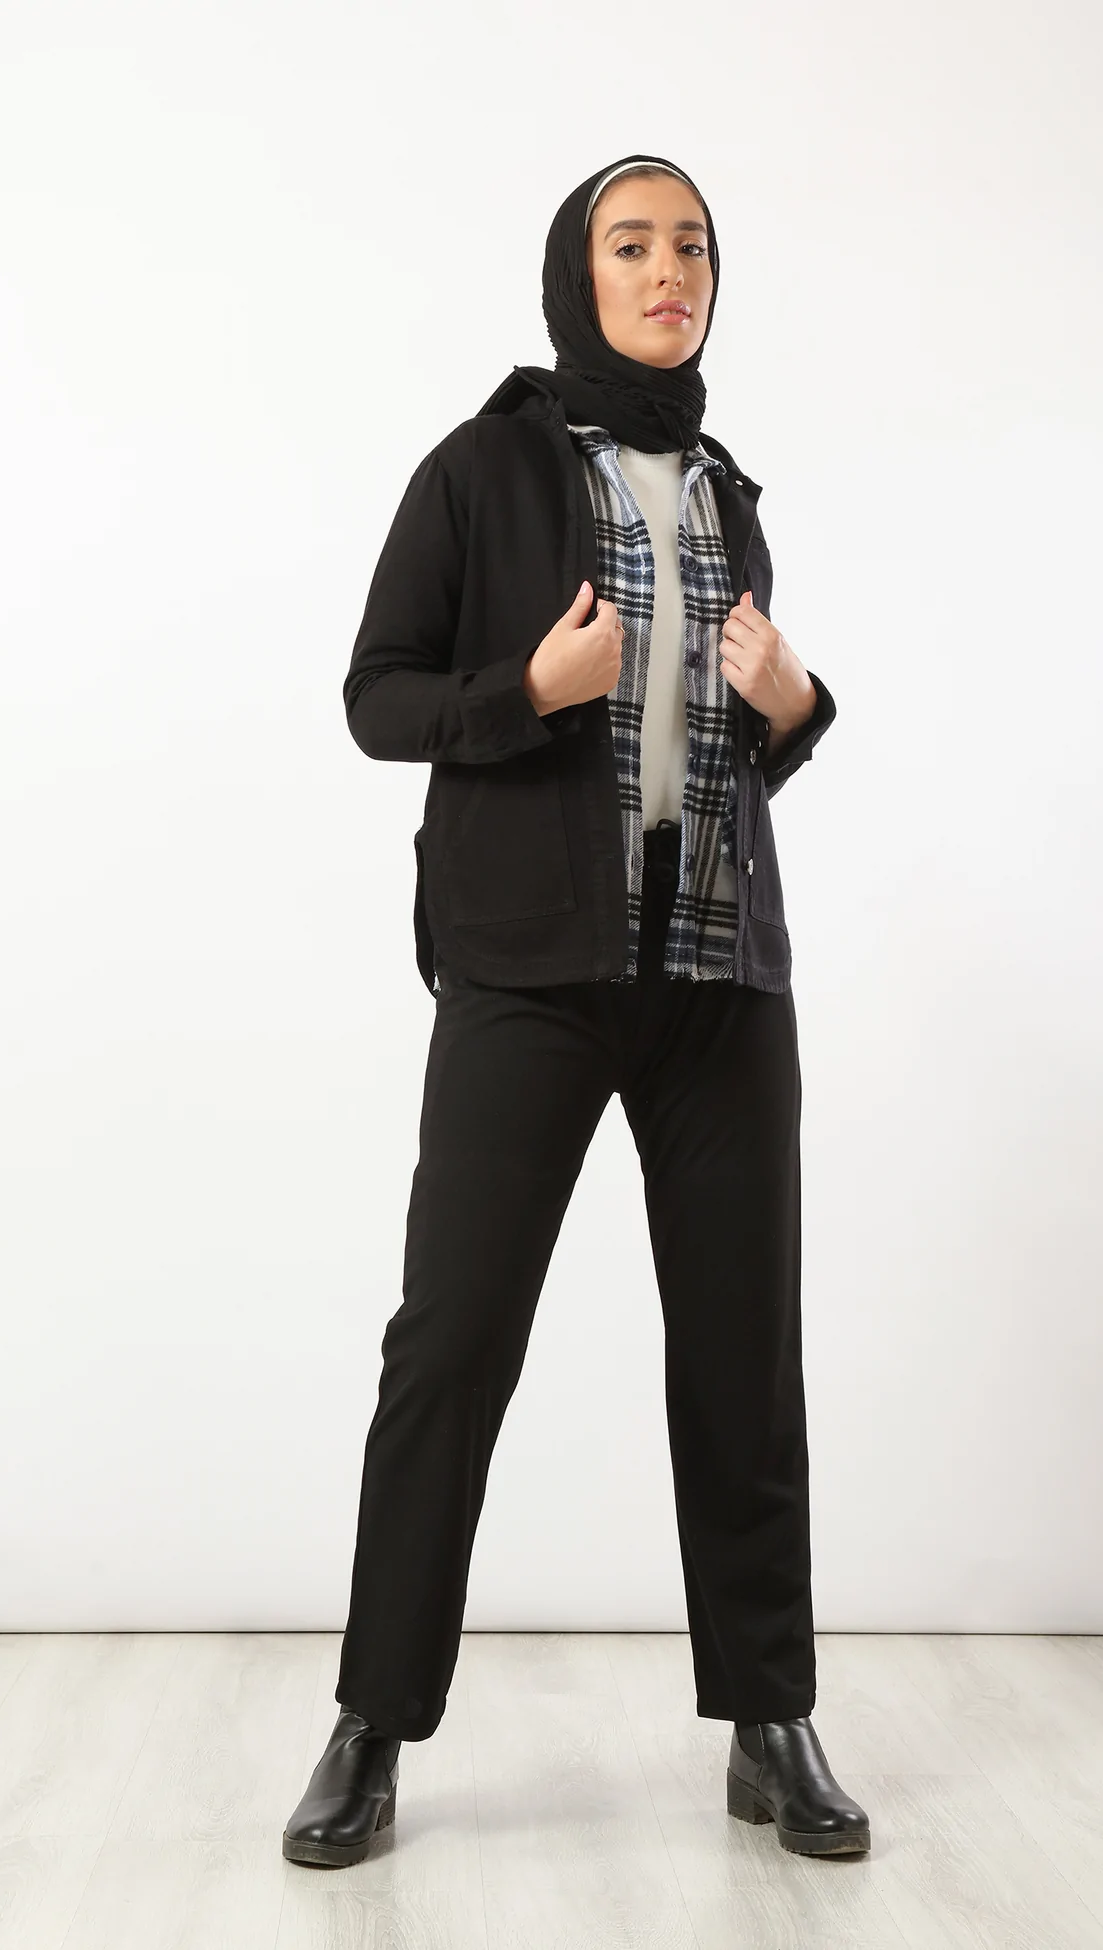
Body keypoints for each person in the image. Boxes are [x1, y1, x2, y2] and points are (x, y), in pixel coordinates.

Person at [282, 153, 870, 1869]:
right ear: (577, 275)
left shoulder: (729, 493)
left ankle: (771, 1718)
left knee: (746, 1351)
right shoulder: (479, 470)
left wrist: (799, 705)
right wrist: (527, 689)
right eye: (633, 243)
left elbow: (721, 749)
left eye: (692, 245)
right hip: (531, 973)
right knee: (452, 1343)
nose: (669, 269)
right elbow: (377, 697)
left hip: (718, 975)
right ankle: (372, 1722)